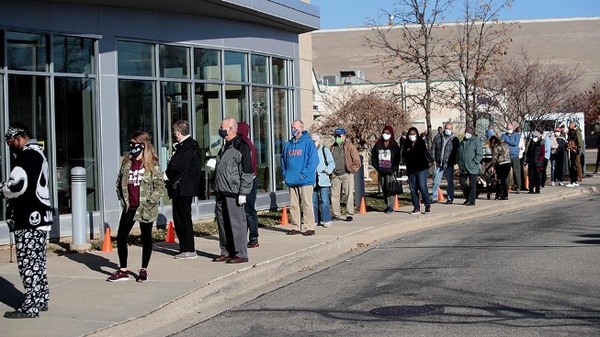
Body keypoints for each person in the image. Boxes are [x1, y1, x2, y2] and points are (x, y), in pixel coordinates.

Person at [2, 123, 53, 318]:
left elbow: (17, 184)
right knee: (38, 262)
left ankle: (30, 307)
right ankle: (40, 299)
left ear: (18, 138)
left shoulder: (26, 156)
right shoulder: (39, 154)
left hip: (28, 219)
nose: (9, 146)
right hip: (40, 218)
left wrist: (3, 189)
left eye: (9, 142)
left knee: (28, 263)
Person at [107, 131, 166, 282]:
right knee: (121, 237)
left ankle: (143, 269)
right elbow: (119, 182)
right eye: (131, 144)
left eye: (135, 144)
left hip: (145, 208)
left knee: (146, 238)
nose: (132, 147)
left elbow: (160, 187)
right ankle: (123, 269)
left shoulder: (152, 165)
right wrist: (122, 200)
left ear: (143, 145)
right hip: (130, 207)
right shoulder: (127, 163)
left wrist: (150, 201)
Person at [212, 118, 254, 263]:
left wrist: (243, 192)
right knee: (223, 224)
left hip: (233, 192)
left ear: (230, 129)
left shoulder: (241, 147)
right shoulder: (224, 146)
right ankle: (226, 250)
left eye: (222, 127)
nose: (220, 129)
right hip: (221, 191)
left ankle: (240, 253)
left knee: (236, 223)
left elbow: (247, 172)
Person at [165, 120, 202, 259]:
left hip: (183, 188)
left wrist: (166, 175)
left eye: (175, 132)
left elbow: (176, 166)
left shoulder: (187, 146)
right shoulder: (187, 146)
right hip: (182, 187)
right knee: (180, 218)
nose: (175, 134)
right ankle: (185, 248)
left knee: (182, 218)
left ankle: (188, 248)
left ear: (179, 132)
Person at [281, 120, 319, 235]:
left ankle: (309, 227)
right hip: (291, 180)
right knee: (293, 205)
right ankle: (295, 227)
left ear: (301, 128)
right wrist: (285, 174)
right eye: (292, 127)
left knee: (306, 204)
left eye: (295, 127)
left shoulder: (308, 143)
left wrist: (304, 174)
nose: (293, 129)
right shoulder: (288, 144)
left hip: (305, 180)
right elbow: (283, 160)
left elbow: (313, 161)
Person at [330, 127, 362, 222]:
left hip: (346, 174)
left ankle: (349, 213)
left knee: (349, 194)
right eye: (335, 136)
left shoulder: (350, 147)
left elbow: (357, 161)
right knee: (334, 195)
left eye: (339, 136)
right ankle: (336, 214)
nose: (337, 138)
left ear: (344, 136)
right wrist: (331, 173)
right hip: (335, 175)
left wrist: (351, 171)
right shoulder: (332, 148)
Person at [237, 122, 259, 248]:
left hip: (248, 180)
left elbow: (247, 165)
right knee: (247, 210)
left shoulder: (245, 145)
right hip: (250, 178)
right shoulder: (247, 143)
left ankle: (253, 237)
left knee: (248, 210)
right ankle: (249, 237)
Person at [371, 125, 401, 213]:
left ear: (391, 134)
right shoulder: (378, 145)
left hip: (390, 171)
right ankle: (386, 204)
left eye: (387, 133)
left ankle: (390, 206)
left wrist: (394, 168)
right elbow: (373, 157)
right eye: (384, 133)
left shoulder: (394, 145)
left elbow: (397, 158)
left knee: (390, 188)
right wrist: (377, 167)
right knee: (383, 187)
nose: (385, 134)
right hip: (381, 170)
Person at [402, 127, 432, 214]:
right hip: (411, 170)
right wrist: (409, 151)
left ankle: (427, 205)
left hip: (421, 168)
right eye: (410, 134)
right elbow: (404, 155)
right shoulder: (406, 144)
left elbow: (420, 153)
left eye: (413, 134)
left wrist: (411, 151)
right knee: (413, 188)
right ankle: (416, 207)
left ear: (417, 134)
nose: (412, 136)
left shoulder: (420, 142)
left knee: (422, 187)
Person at [431, 121, 459, 204]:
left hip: (448, 164)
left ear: (452, 129)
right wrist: (433, 160)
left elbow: (456, 152)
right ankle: (434, 197)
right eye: (446, 128)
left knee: (450, 182)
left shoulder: (455, 139)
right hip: (439, 163)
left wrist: (455, 162)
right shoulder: (438, 137)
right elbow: (433, 148)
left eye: (449, 129)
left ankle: (450, 197)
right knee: (436, 181)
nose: (447, 130)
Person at [312, 134, 335, 227]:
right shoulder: (310, 151)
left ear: (319, 141)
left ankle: (326, 219)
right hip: (313, 179)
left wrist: (327, 170)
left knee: (325, 201)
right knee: (313, 201)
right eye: (312, 141)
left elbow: (331, 163)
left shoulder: (324, 150)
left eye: (315, 141)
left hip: (323, 178)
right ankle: (315, 219)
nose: (313, 143)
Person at [457, 126, 483, 206]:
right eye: (466, 132)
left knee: (472, 184)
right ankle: (468, 197)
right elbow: (459, 153)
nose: (466, 134)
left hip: (472, 167)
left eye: (468, 133)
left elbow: (479, 154)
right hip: (463, 167)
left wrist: (474, 162)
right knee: (462, 183)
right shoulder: (462, 142)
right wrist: (458, 161)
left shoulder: (476, 142)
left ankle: (472, 200)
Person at [487, 136, 511, 200]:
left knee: (500, 180)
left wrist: (490, 166)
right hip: (508, 163)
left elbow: (494, 158)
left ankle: (503, 194)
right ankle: (501, 194)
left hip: (501, 164)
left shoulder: (496, 146)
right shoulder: (505, 144)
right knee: (503, 180)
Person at [501, 122, 522, 194]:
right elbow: (502, 143)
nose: (508, 130)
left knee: (516, 172)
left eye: (509, 129)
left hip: (514, 156)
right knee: (506, 173)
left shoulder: (517, 135)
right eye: (507, 128)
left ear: (512, 128)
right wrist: (508, 141)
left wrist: (507, 141)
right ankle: (506, 187)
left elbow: (515, 143)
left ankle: (518, 186)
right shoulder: (503, 135)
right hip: (506, 156)